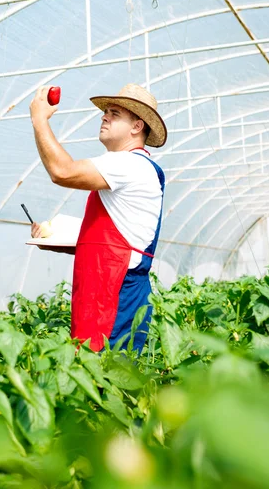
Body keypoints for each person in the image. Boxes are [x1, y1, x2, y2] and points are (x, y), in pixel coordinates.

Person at [29, 83, 167, 352]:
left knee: (108, 374)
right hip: (105, 290)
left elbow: (62, 171)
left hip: (114, 294)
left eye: (114, 113)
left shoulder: (129, 164)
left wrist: (39, 119)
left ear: (137, 127)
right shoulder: (128, 168)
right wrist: (57, 240)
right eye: (105, 111)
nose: (104, 116)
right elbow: (117, 242)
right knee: (103, 376)